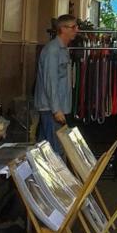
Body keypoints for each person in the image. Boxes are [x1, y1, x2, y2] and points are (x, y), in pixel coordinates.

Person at [34, 13, 77, 154]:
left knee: (44, 149)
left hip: (56, 108)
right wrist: (56, 109)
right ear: (63, 29)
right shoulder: (52, 50)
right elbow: (50, 81)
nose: (76, 30)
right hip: (51, 109)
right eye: (73, 27)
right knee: (55, 150)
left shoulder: (63, 49)